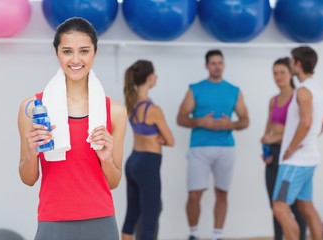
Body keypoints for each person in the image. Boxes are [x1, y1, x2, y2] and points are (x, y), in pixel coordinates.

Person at [18, 17, 127, 240]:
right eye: (67, 51)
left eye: (84, 51)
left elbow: (114, 182)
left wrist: (106, 159)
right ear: (56, 52)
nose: (75, 59)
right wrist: (31, 153)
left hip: (101, 221)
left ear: (95, 53)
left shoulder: (114, 111)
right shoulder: (33, 108)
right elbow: (28, 179)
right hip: (53, 221)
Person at [177, 49, 249, 240]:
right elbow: (181, 118)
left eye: (220, 62)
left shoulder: (234, 91)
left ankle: (217, 235)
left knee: (222, 193)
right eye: (213, 63)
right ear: (207, 65)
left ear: (223, 65)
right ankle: (193, 234)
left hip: (226, 148)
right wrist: (200, 122)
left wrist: (230, 124)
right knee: (194, 195)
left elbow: (245, 121)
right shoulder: (195, 89)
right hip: (199, 148)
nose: (217, 66)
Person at [272, 46, 323, 240]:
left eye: (291, 61)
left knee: (279, 208)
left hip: (295, 162)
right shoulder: (318, 89)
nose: (289, 64)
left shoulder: (303, 91)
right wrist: (310, 139)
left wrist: (291, 148)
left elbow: (306, 122)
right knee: (306, 206)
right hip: (310, 159)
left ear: (299, 64)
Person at [121, 60, 175, 240]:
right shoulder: (153, 110)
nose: (156, 77)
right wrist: (160, 137)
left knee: (132, 215)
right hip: (148, 164)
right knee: (149, 216)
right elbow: (171, 140)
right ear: (150, 77)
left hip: (133, 161)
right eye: (155, 74)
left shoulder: (131, 103)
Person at [261, 57, 306, 240]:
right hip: (273, 156)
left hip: (290, 157)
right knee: (275, 206)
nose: (278, 77)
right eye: (275, 73)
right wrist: (265, 151)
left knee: (291, 205)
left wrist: (276, 137)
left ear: (291, 74)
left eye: (282, 72)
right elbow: (267, 130)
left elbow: (302, 129)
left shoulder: (298, 98)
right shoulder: (273, 100)